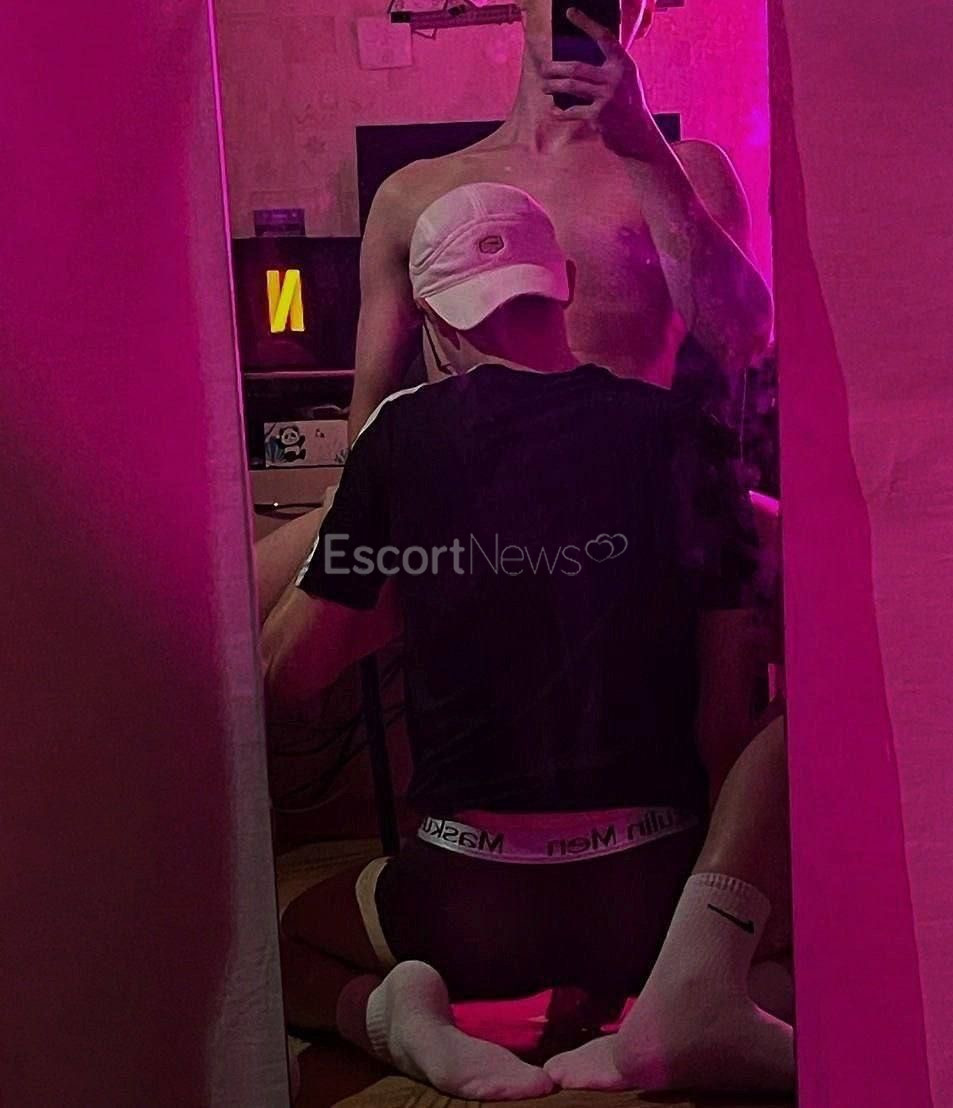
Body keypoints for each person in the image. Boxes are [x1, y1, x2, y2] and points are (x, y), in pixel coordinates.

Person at [263, 182, 793, 1100]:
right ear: (566, 283)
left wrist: (406, 584)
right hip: (650, 894)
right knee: (812, 938)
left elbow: (288, 672)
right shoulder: (684, 434)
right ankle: (683, 993)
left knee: (286, 944)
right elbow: (721, 720)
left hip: (466, 906)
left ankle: (395, 1021)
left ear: (433, 319)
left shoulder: (401, 435)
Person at [348, 0, 773, 439]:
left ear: (643, 16)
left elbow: (742, 342)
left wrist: (644, 147)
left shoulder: (685, 173)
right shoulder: (411, 196)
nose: (578, 10)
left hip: (621, 470)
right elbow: (368, 426)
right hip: (472, 478)